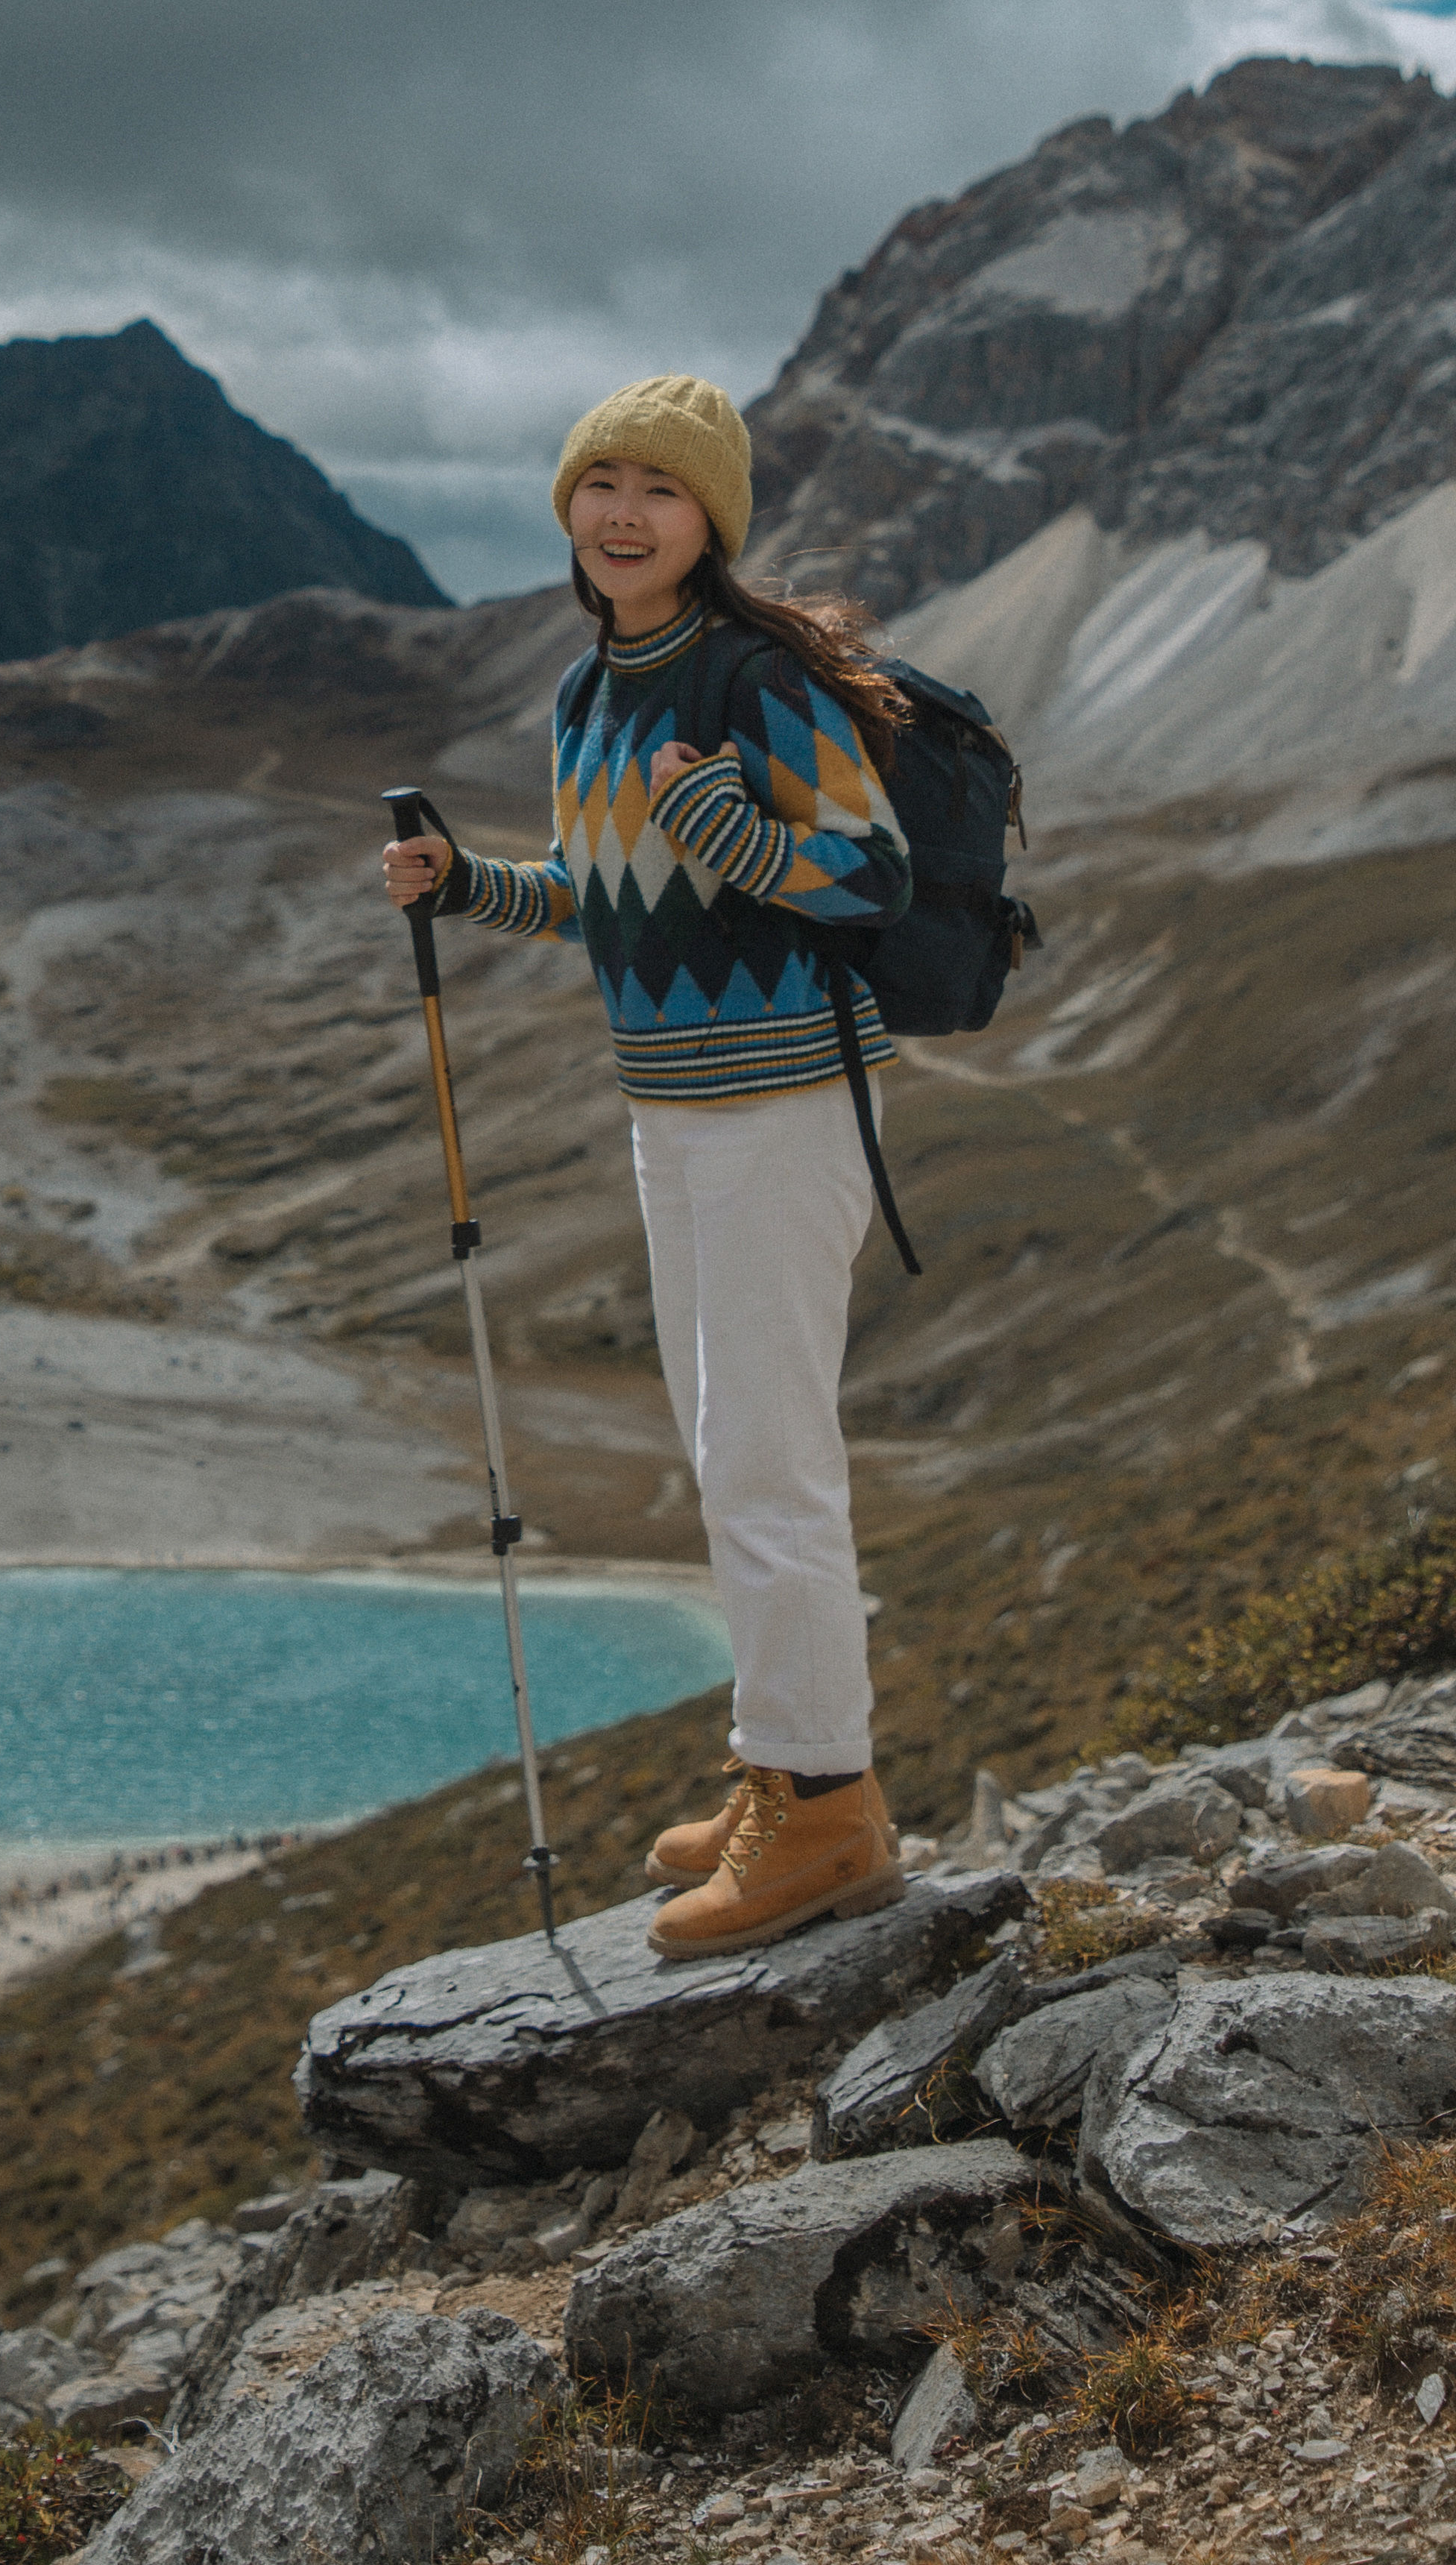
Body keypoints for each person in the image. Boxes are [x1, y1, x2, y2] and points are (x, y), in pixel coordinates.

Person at [381, 372, 915, 1957]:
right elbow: (613, 898)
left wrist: (737, 835)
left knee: (769, 1458)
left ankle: (829, 1811)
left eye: (660, 490)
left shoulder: (754, 676)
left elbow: (868, 868)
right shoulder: (588, 691)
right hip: (673, 1107)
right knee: (723, 1444)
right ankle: (782, 1759)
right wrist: (473, 883)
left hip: (786, 1102)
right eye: (600, 481)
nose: (623, 512)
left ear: (712, 523)